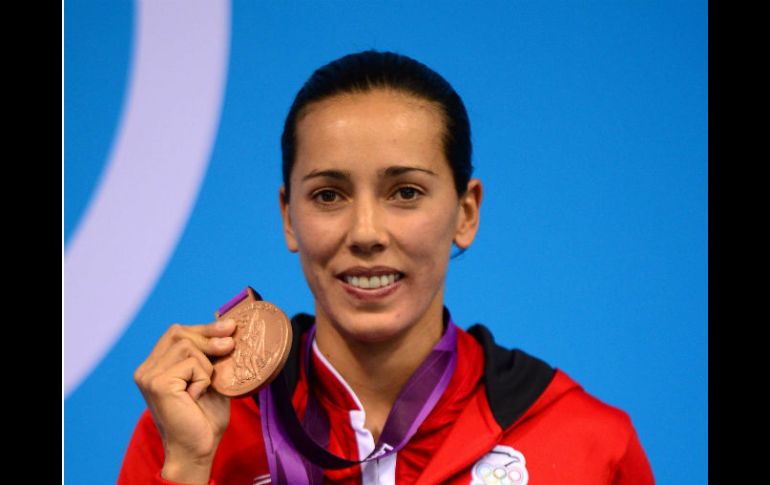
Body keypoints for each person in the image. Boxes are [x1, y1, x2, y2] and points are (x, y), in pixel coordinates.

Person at [118, 49, 654, 485]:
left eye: (406, 192)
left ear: (466, 212)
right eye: (329, 195)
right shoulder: (191, 429)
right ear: (288, 217)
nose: (367, 233)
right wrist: (187, 469)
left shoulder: (584, 440)